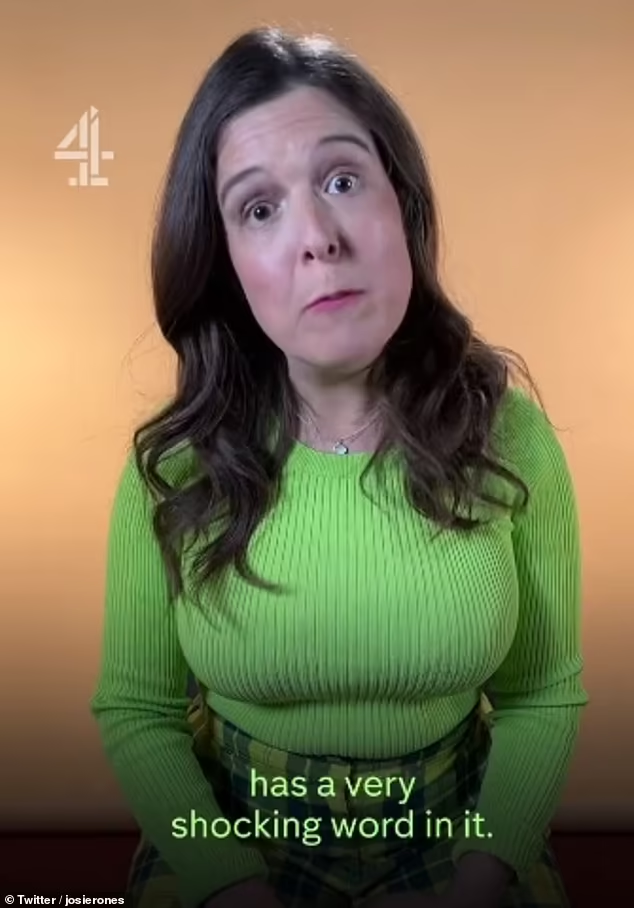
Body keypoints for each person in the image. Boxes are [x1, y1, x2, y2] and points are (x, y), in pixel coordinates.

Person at [90, 25, 589, 908]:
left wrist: (475, 886)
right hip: (229, 838)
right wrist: (231, 886)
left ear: (402, 204)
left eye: (342, 180)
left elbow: (545, 695)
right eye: (259, 208)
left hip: (458, 836)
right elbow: (139, 714)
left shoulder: (510, 439)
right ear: (225, 262)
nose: (317, 237)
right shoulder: (173, 468)